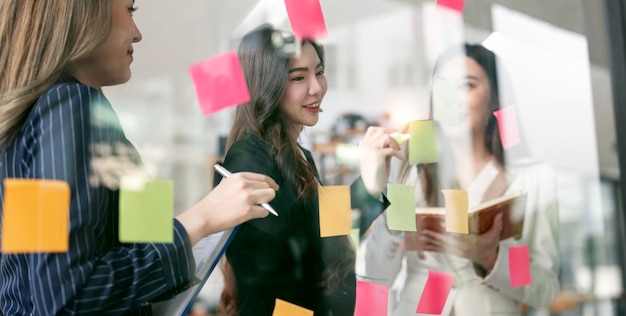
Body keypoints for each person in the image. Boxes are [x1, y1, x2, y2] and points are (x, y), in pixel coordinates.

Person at [0, 1, 279, 315]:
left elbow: (47, 281)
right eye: (130, 11)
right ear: (82, 13)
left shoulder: (41, 113)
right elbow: (66, 297)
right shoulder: (70, 104)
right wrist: (203, 218)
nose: (138, 34)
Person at [361, 43, 560, 315]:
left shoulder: (532, 178)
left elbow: (546, 287)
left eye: (467, 86)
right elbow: (375, 274)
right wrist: (391, 225)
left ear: (496, 96)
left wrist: (491, 258)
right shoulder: (409, 166)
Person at [216, 24, 395, 315]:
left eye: (319, 72)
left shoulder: (299, 154)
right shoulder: (248, 160)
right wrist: (368, 187)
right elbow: (297, 265)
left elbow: (325, 230)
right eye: (298, 77)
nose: (316, 87)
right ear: (266, 84)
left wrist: (372, 181)